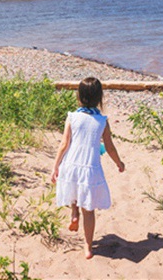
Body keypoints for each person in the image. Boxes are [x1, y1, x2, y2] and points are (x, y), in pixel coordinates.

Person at [51, 77, 126, 259]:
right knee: (89, 209)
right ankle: (88, 247)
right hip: (90, 168)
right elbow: (109, 147)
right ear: (100, 98)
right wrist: (119, 163)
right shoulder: (102, 121)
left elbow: (64, 144)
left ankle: (74, 213)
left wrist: (55, 166)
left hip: (70, 164)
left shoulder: (72, 117)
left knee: (74, 189)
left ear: (79, 96)